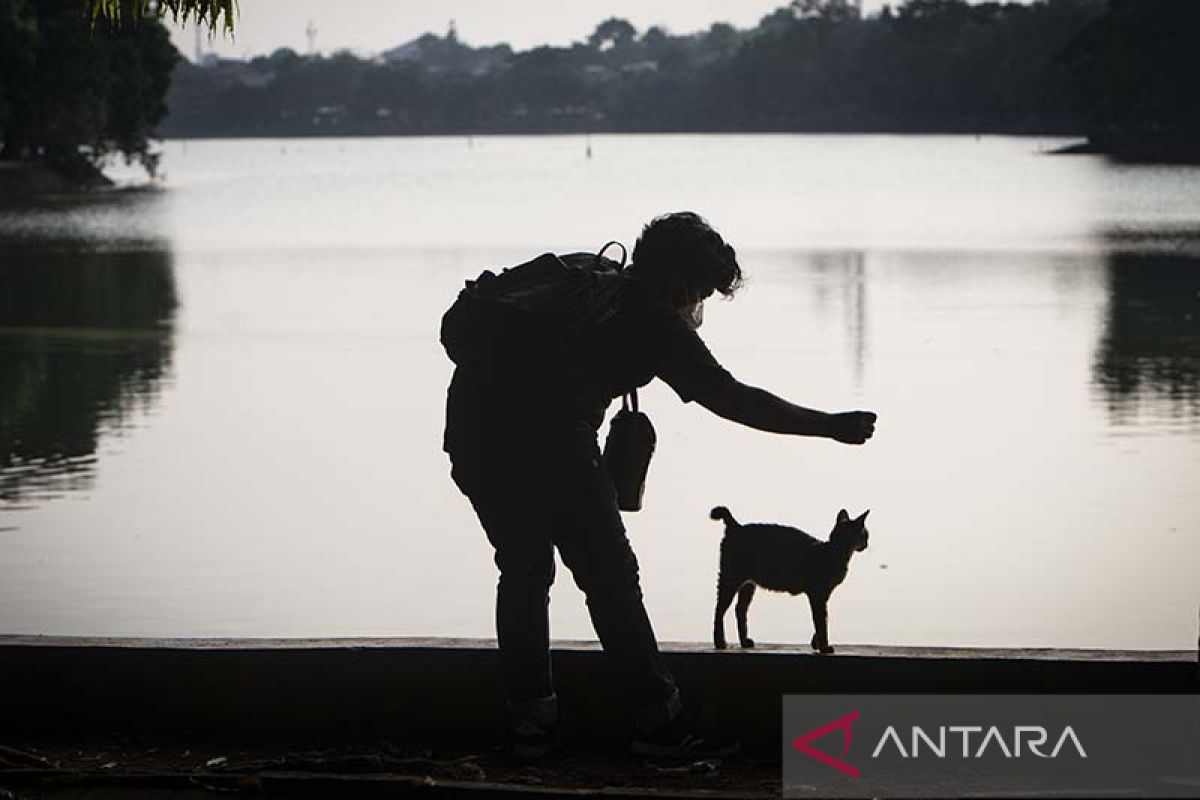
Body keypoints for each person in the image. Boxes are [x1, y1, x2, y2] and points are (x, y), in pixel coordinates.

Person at [442, 212, 877, 758]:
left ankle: (532, 724)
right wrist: (829, 425)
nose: (696, 307)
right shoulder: (651, 318)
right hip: (552, 440)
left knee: (525, 570)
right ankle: (659, 726)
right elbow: (732, 398)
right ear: (678, 278)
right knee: (612, 578)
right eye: (698, 290)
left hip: (474, 434)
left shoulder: (590, 271)